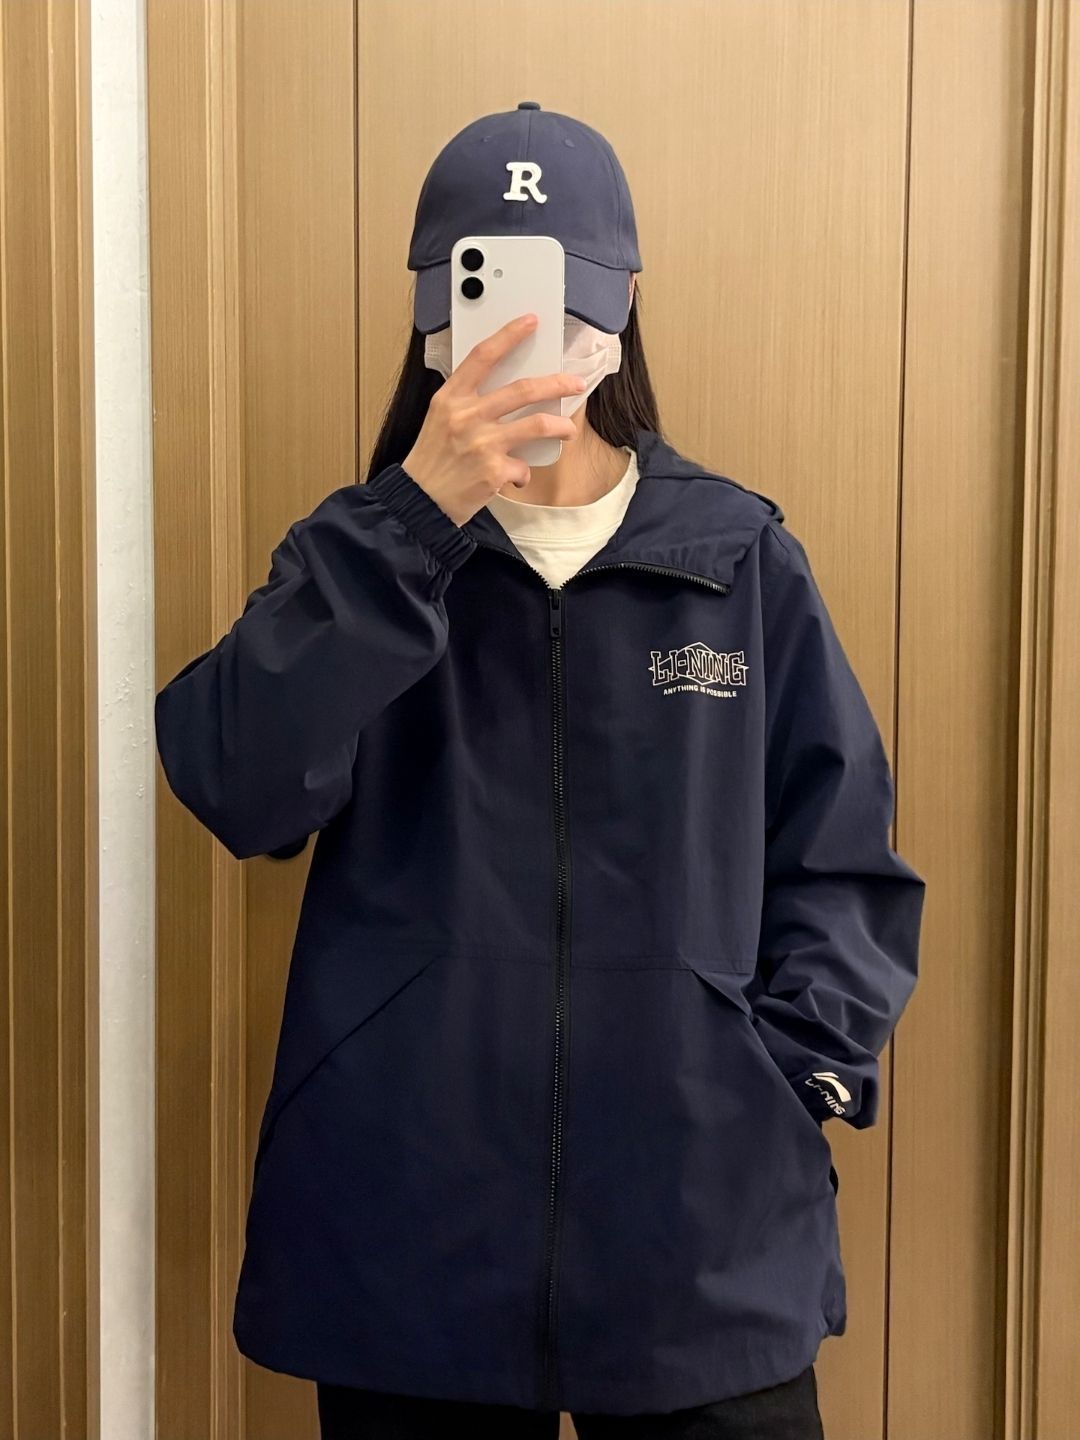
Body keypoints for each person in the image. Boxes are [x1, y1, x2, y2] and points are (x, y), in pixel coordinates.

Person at [154, 104, 926, 1439]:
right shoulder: (360, 559)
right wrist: (413, 522)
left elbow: (842, 856)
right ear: (431, 323)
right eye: (486, 299)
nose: (527, 342)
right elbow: (234, 779)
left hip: (702, 1244)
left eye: (565, 307)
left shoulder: (736, 560)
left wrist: (790, 1077)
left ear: (620, 314)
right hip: (410, 1239)